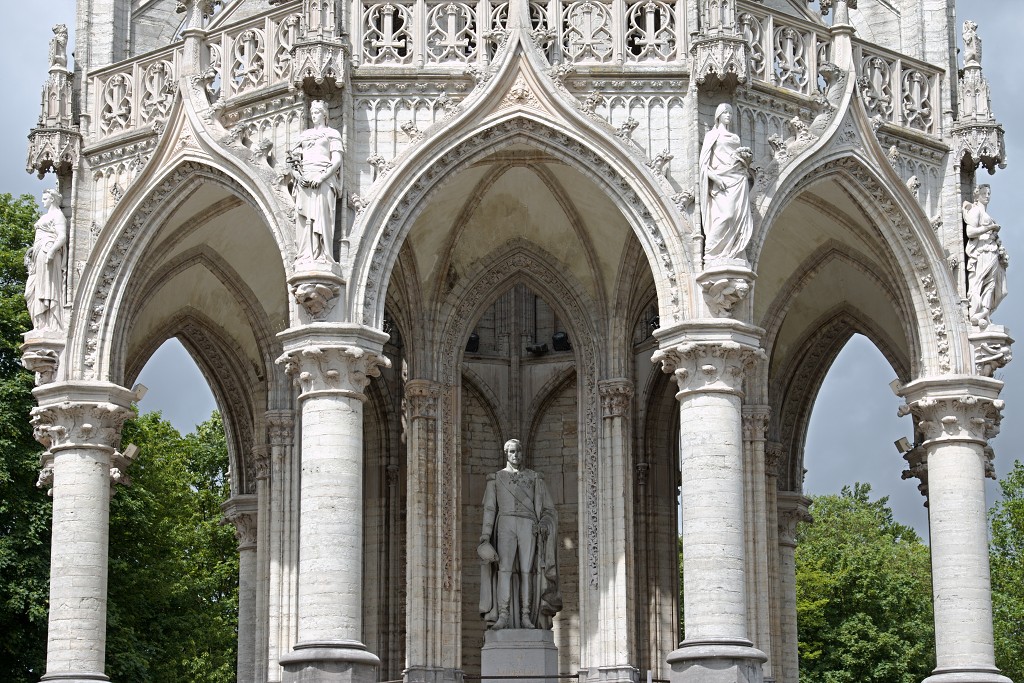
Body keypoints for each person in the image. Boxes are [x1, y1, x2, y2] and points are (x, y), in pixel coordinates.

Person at [478, 439, 561, 630]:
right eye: (512, 452)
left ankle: (525, 616)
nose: (516, 456)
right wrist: (485, 536)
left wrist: (543, 523)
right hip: (505, 522)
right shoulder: (496, 478)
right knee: (504, 571)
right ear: (506, 454)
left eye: (518, 452)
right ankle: (504, 615)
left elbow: (547, 508)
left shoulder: (534, 477)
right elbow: (490, 508)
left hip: (527, 523)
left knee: (527, 572)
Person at [285, 99, 342, 263]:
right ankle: (306, 255)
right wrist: (298, 176)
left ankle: (323, 254)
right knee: (303, 217)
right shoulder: (304, 135)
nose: (314, 116)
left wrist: (322, 177)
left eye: (317, 112)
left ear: (325, 114)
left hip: (323, 178)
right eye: (312, 113)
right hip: (305, 178)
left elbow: (337, 159)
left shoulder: (332, 134)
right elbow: (292, 161)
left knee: (322, 217)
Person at [698, 103, 754, 263]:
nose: (728, 115)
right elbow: (703, 164)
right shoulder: (712, 135)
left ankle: (732, 251)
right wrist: (715, 178)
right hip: (721, 179)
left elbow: (738, 158)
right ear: (718, 116)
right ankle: (712, 252)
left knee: (736, 217)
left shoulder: (735, 138)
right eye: (725, 113)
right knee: (726, 214)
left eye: (730, 113)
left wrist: (745, 160)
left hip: (738, 179)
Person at [963, 183, 1008, 328]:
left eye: (989, 194)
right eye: (984, 194)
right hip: (981, 251)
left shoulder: (986, 214)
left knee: (991, 285)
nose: (987, 196)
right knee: (979, 282)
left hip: (992, 252)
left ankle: (984, 313)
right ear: (977, 195)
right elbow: (970, 232)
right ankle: (976, 312)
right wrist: (989, 228)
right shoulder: (975, 211)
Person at [24, 188, 67, 331]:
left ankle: (49, 324)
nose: (43, 200)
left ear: (52, 199)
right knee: (30, 292)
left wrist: (52, 251)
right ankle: (39, 324)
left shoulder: (58, 215)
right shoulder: (45, 216)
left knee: (47, 287)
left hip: (47, 253)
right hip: (38, 254)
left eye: (45, 198)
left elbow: (62, 236)